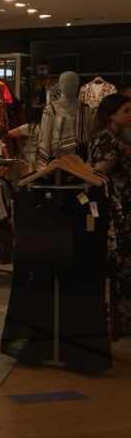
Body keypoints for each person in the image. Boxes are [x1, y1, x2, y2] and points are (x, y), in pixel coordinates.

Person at [88, 93, 131, 339]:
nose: (130, 115)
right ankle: (116, 322)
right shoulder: (109, 140)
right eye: (126, 111)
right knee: (119, 263)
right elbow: (98, 174)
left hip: (118, 206)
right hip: (118, 208)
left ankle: (117, 321)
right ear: (112, 114)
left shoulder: (107, 137)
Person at [6, 105, 44, 172]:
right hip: (42, 157)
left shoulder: (30, 127)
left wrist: (21, 142)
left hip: (28, 157)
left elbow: (10, 134)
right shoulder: (46, 127)